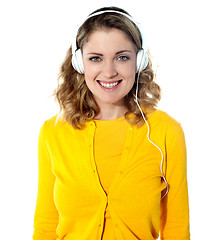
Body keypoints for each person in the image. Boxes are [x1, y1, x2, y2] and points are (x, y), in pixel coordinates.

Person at [33, 6, 190, 240]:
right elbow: (46, 227)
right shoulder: (53, 132)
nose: (108, 72)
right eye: (95, 58)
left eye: (122, 57)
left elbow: (177, 229)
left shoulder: (165, 131)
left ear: (138, 62)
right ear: (79, 63)